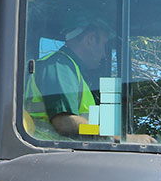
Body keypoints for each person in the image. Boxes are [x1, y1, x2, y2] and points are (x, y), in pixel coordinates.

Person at [25, 14, 154, 143]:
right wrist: (117, 138)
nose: (104, 55)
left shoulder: (71, 69)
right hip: (51, 151)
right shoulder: (60, 66)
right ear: (90, 39)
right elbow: (64, 123)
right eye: (104, 45)